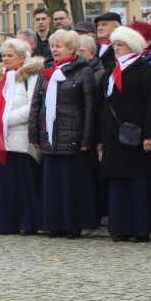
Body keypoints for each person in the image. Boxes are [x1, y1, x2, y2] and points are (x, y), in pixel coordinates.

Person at [28, 29, 99, 238]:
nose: (54, 50)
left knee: (72, 183)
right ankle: (55, 223)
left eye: (59, 46)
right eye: (53, 46)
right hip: (50, 136)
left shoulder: (83, 72)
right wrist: (34, 134)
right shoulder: (47, 70)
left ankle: (73, 224)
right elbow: (36, 104)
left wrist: (87, 138)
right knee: (53, 183)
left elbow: (90, 107)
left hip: (73, 135)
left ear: (71, 49)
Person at [96, 26, 151, 242]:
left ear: (133, 47)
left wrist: (150, 135)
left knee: (138, 182)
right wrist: (100, 139)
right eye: (114, 44)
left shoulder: (147, 72)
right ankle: (121, 227)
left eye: (121, 45)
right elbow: (102, 106)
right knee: (118, 182)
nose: (116, 48)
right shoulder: (110, 72)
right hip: (113, 136)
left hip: (137, 135)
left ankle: (140, 229)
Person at [0, 38, 43, 235]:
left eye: (10, 55)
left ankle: (28, 222)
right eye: (4, 56)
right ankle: (8, 222)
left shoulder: (30, 76)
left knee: (24, 182)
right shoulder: (0, 77)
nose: (6, 59)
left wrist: (5, 119)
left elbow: (31, 106)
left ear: (22, 57)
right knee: (6, 185)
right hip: (2, 138)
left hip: (21, 137)